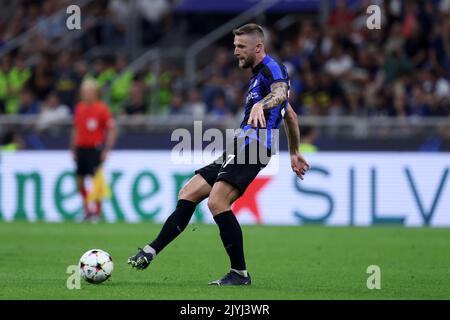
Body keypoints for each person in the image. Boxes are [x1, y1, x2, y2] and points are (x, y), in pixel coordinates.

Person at [127, 24, 310, 285]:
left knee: (217, 203)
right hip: (239, 147)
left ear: (258, 47)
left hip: (255, 147)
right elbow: (289, 114)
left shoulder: (273, 68)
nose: (236, 52)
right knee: (189, 192)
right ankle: (151, 251)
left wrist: (262, 103)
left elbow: (280, 94)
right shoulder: (258, 75)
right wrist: (294, 152)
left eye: (241, 47)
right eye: (235, 46)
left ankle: (239, 273)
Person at [70, 79, 117, 222]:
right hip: (81, 148)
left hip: (95, 148)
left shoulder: (102, 109)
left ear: (95, 93)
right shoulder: (79, 108)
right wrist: (73, 148)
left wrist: (107, 149)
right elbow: (76, 128)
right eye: (84, 91)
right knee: (80, 181)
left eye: (88, 91)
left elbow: (112, 129)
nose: (85, 94)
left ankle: (97, 212)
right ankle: (87, 210)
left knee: (96, 182)